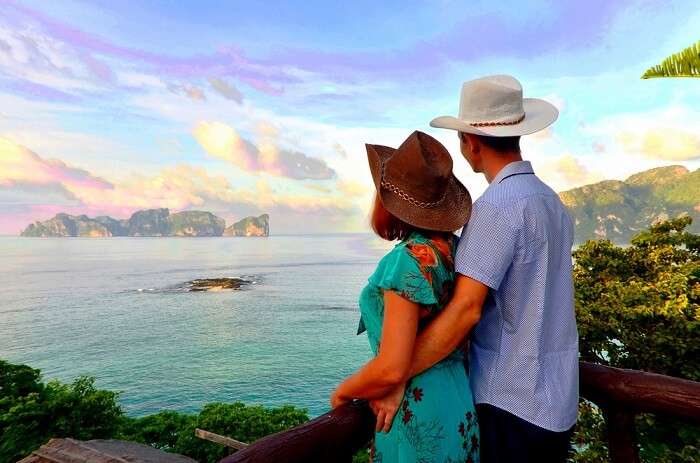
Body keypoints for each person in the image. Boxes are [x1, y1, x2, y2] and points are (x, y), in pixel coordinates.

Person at [369, 75, 579, 463]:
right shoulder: (551, 203)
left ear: (470, 142)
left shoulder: (496, 207)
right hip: (558, 402)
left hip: (510, 403)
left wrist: (395, 376)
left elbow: (466, 309)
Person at [331, 131, 479, 462]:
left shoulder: (405, 261)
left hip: (414, 406)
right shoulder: (456, 251)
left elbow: (391, 368)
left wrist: (343, 392)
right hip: (458, 399)